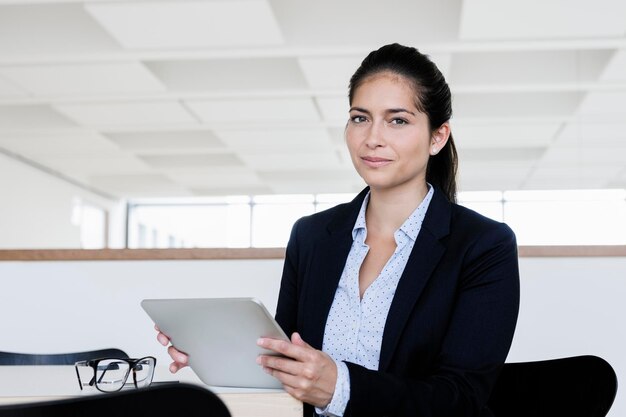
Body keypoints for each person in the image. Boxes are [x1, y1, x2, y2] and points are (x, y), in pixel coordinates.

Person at [156, 43, 520, 417]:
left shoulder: (483, 246)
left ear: (437, 137)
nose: (372, 138)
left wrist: (339, 387)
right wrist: (220, 354)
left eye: (397, 120)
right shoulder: (312, 237)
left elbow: (459, 399)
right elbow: (292, 366)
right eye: (360, 118)